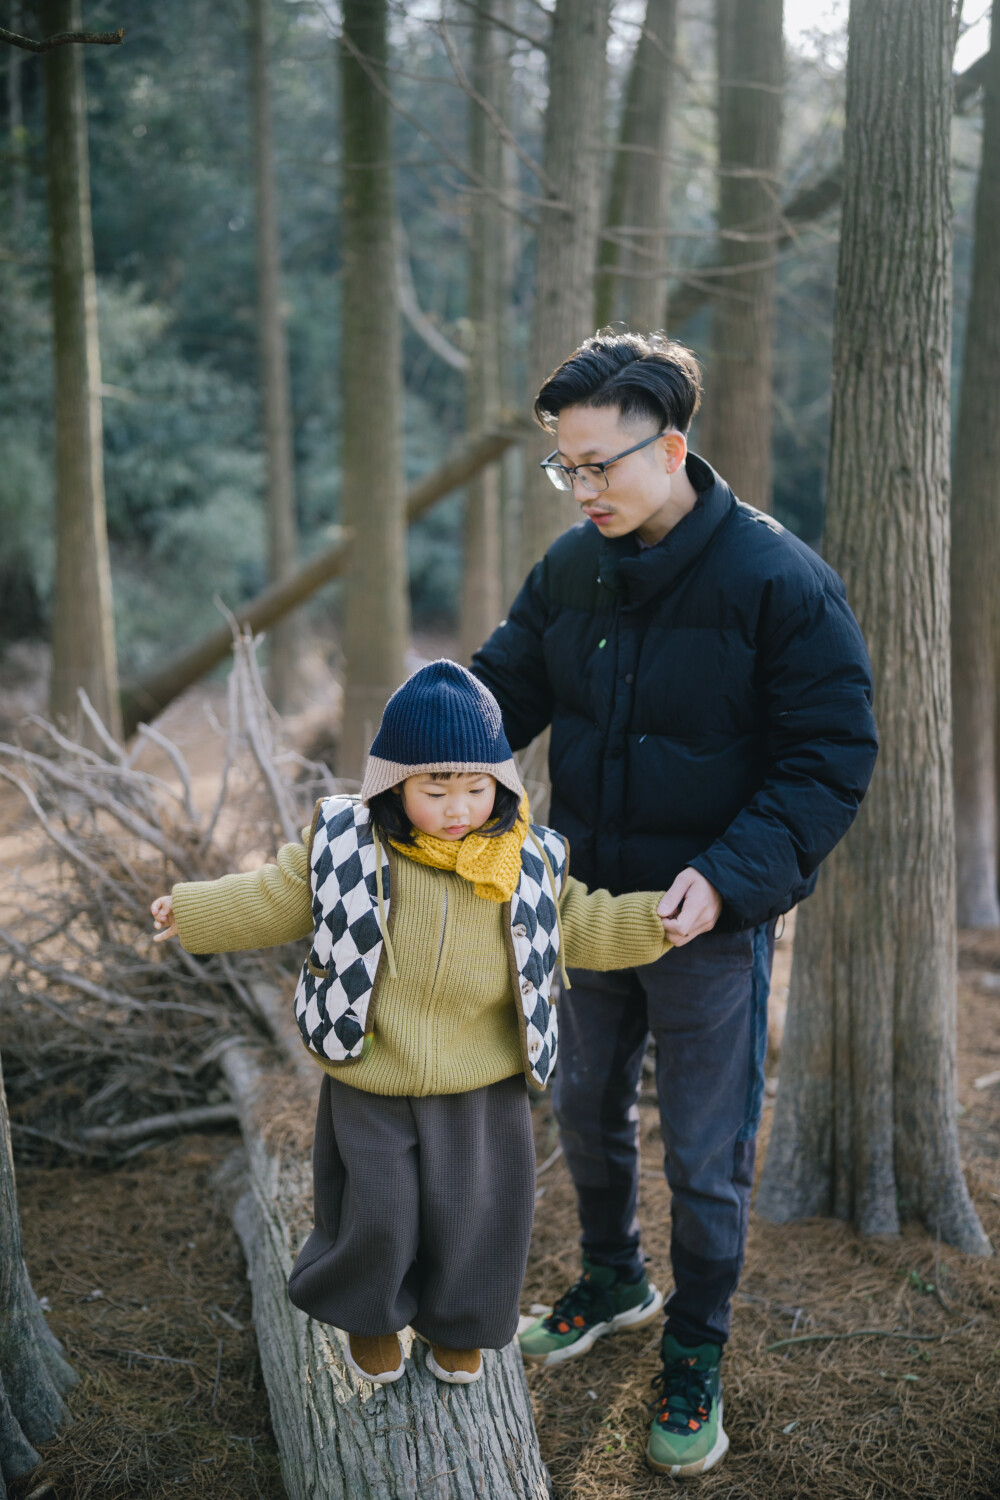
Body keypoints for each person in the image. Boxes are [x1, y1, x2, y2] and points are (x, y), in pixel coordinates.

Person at [472, 332, 878, 1478]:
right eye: (565, 467)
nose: (582, 488)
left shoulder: (778, 581)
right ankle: (614, 1277)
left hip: (707, 921)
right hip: (582, 902)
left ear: (673, 448)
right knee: (584, 1104)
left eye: (599, 464)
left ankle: (695, 1344)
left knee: (705, 1155)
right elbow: (502, 686)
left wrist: (731, 876)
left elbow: (829, 757)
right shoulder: (569, 567)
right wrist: (420, 746)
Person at [150, 660, 676, 1389]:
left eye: (475, 786)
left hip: (480, 1073)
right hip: (375, 1063)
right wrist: (197, 910)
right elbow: (277, 895)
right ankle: (371, 1314)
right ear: (394, 784)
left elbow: (581, 924)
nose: (458, 806)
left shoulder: (527, 859)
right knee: (379, 1207)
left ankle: (458, 1325)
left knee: (476, 1212)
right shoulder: (348, 845)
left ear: (501, 783)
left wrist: (655, 923)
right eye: (436, 789)